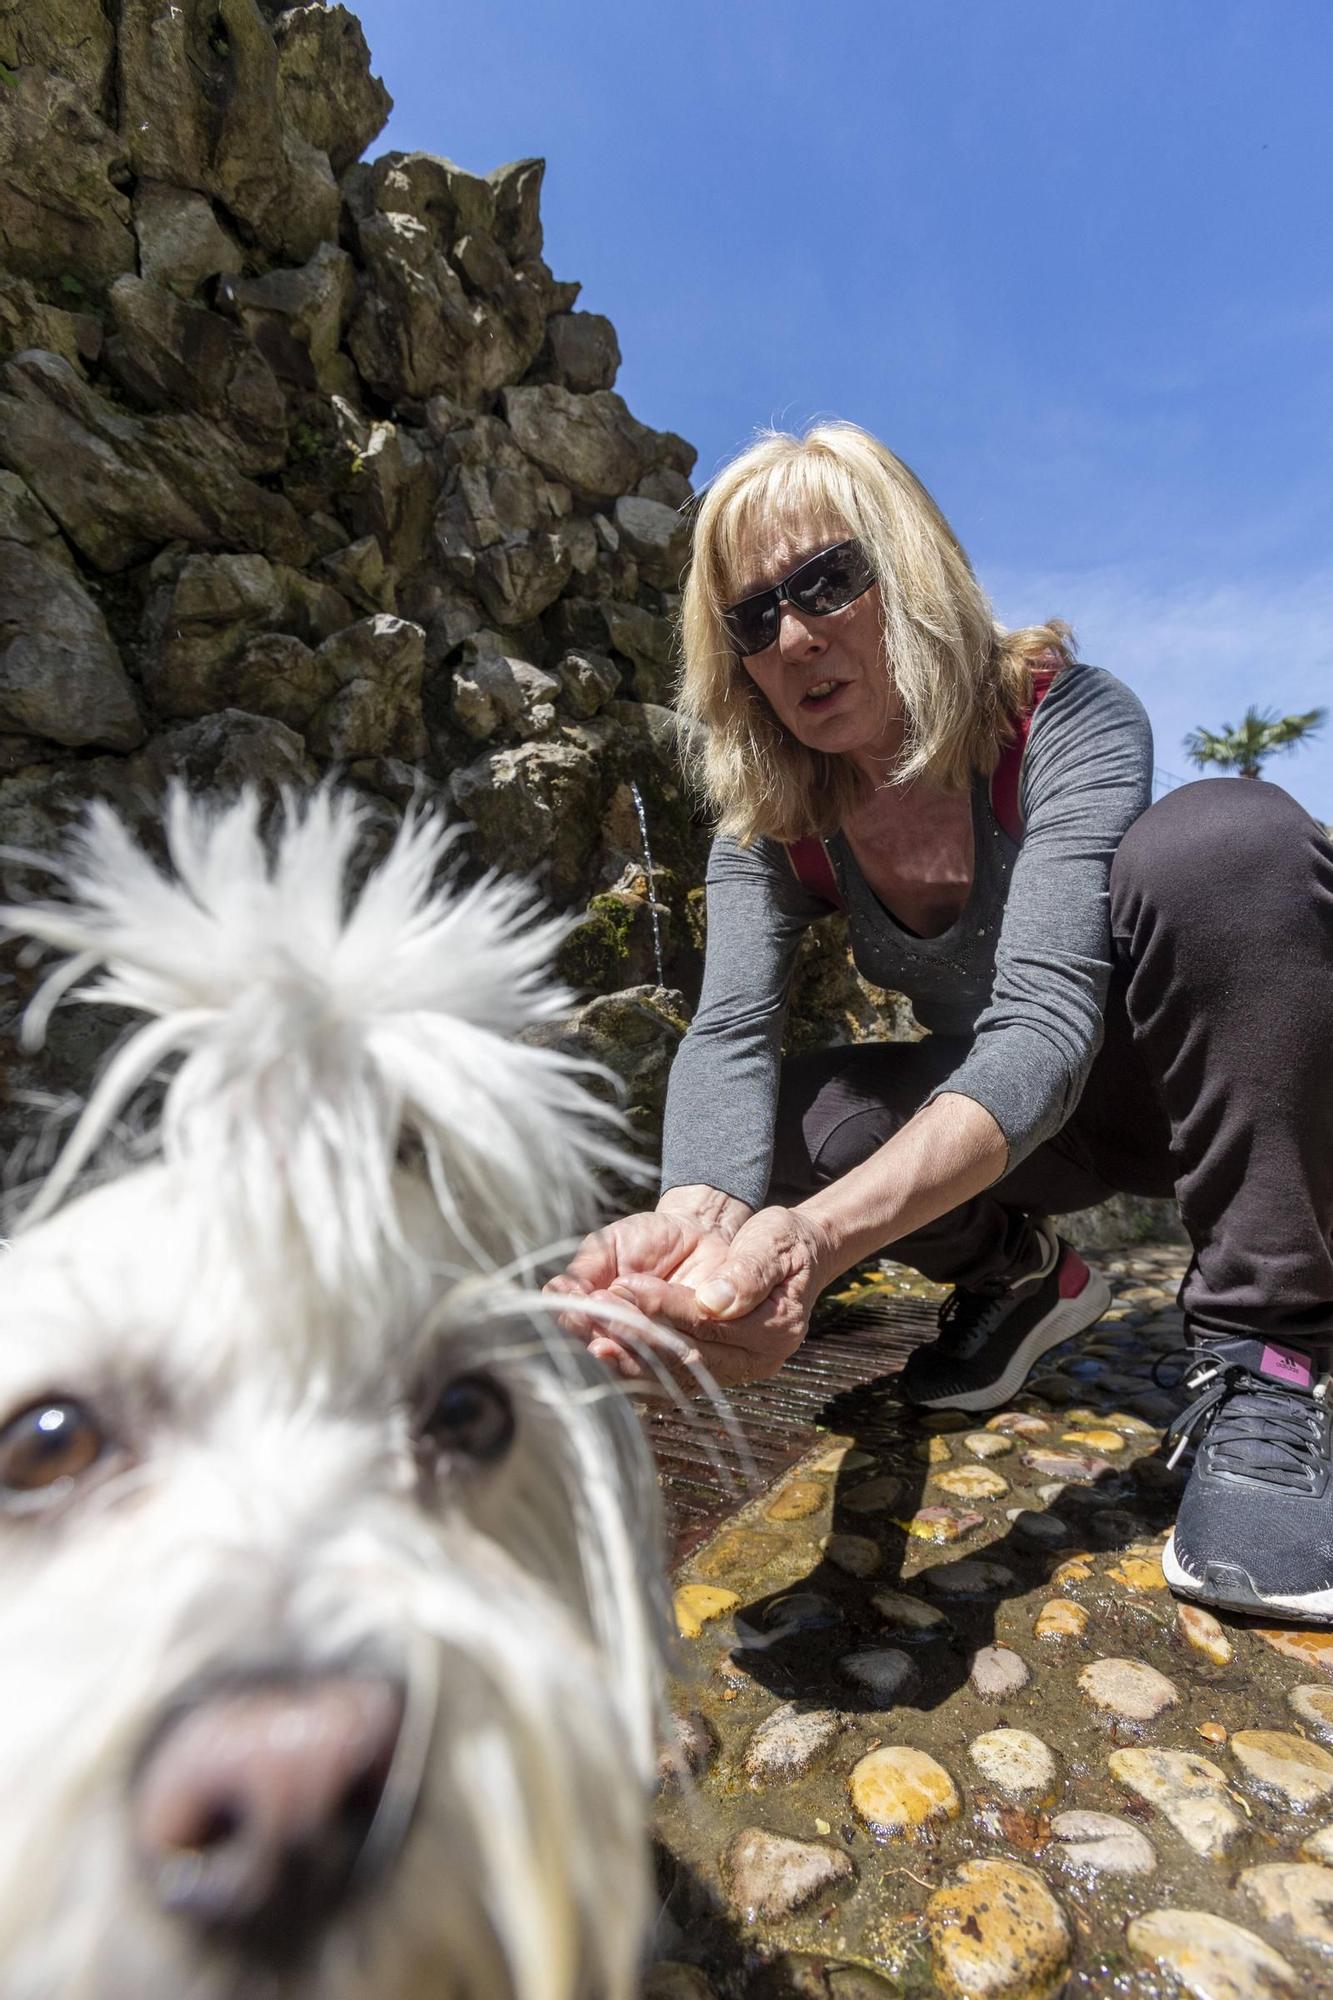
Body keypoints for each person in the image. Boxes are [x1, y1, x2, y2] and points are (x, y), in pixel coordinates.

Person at [548, 421, 1333, 1625]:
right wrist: (692, 1223)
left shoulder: (1061, 719)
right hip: (1031, 1141)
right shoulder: (776, 814)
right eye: (754, 617)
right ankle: (1020, 1280)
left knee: (1223, 843)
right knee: (790, 1119)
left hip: (1179, 1088)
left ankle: (1274, 1351)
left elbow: (1047, 1017)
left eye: (825, 581)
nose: (795, 635)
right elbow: (727, 1039)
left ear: (905, 570)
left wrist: (812, 1244)